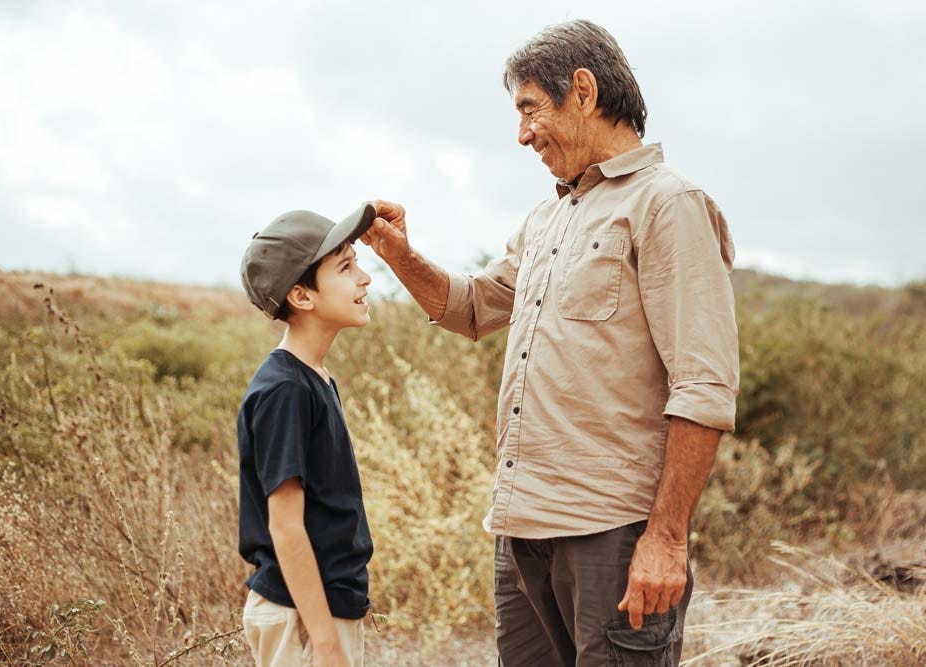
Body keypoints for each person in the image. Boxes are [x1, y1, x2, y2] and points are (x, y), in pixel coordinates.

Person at [362, 19, 739, 666]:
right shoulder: (547, 216)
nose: (522, 134)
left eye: (531, 109)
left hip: (613, 536)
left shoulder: (668, 205)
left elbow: (704, 385)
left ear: (584, 92)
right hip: (519, 533)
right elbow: (475, 307)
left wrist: (666, 538)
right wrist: (400, 256)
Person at [237, 205, 377, 667]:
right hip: (300, 617)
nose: (365, 279)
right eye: (345, 267)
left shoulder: (313, 377)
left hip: (321, 608)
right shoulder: (286, 390)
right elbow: (286, 525)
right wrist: (323, 640)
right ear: (301, 295)